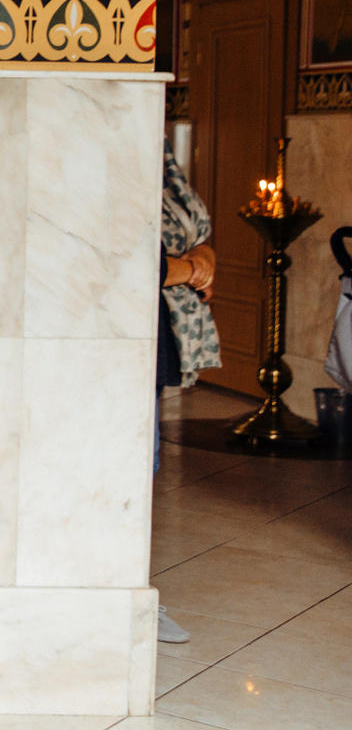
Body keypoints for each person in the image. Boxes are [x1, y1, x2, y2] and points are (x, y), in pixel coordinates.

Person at [157, 146, 219, 644]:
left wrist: (202, 259)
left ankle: (132, 593)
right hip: (111, 334)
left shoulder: (161, 164)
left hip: (155, 339)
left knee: (142, 468)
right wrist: (184, 268)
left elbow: (197, 237)